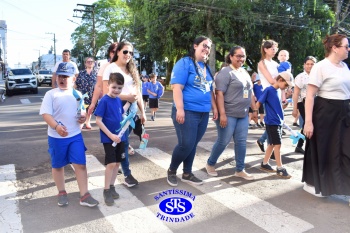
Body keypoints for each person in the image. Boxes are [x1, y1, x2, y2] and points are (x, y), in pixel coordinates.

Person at [40, 62, 99, 207]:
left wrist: (83, 117)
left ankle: (84, 195)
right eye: (60, 75)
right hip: (56, 137)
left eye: (66, 76)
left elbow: (82, 111)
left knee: (81, 164)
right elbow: (46, 114)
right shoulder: (51, 94)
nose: (62, 78)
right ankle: (61, 192)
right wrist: (56, 126)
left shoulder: (77, 94)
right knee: (58, 165)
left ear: (74, 79)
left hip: (75, 136)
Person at [302, 34, 350, 198]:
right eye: (346, 46)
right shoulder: (321, 67)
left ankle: (344, 188)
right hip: (326, 113)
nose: (348, 49)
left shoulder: (345, 67)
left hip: (344, 112)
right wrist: (308, 122)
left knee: (345, 150)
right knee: (325, 150)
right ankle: (318, 185)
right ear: (335, 48)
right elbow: (309, 96)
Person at [167, 36, 218, 187]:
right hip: (187, 111)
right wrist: (180, 109)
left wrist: (214, 108)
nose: (207, 49)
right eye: (204, 45)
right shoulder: (184, 63)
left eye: (209, 47)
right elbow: (177, 88)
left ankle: (187, 173)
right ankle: (171, 170)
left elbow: (209, 91)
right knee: (186, 144)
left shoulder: (206, 67)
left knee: (193, 144)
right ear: (195, 46)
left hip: (203, 112)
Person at [205, 46, 257, 180]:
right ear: (231, 57)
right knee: (224, 141)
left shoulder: (244, 73)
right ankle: (210, 164)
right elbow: (219, 94)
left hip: (243, 114)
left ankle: (240, 169)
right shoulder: (225, 72)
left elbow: (250, 93)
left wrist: (255, 109)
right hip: (228, 113)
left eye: (243, 56)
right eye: (238, 56)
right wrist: (222, 114)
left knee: (241, 142)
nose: (241, 59)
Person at [102, 41, 146, 188]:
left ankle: (114, 163)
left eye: (131, 53)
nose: (128, 55)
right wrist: (127, 97)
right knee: (124, 142)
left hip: (132, 111)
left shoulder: (133, 69)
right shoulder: (111, 68)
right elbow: (106, 92)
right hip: (118, 110)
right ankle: (127, 174)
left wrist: (142, 112)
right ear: (118, 52)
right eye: (126, 52)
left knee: (123, 143)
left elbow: (138, 92)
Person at [94, 73, 126, 206]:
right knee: (111, 164)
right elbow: (98, 121)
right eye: (114, 87)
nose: (116, 90)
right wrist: (110, 135)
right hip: (109, 139)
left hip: (120, 137)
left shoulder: (118, 99)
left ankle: (112, 186)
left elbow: (121, 115)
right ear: (108, 86)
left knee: (118, 163)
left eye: (119, 88)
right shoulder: (104, 101)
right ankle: (106, 189)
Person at [256, 71, 294, 178]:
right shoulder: (269, 90)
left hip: (277, 122)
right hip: (272, 122)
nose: (286, 87)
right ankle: (280, 168)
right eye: (286, 85)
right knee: (277, 145)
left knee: (272, 144)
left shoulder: (277, 91)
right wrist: (253, 112)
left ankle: (264, 163)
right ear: (280, 80)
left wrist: (283, 109)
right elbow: (259, 102)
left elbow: (277, 106)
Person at [256, 40, 279, 153]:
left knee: (277, 121)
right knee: (272, 122)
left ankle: (262, 140)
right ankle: (273, 149)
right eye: (272, 48)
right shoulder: (262, 63)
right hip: (269, 94)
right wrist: (281, 81)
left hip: (277, 93)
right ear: (265, 49)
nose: (274, 50)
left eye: (275, 48)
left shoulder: (276, 64)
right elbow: (271, 80)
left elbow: (282, 80)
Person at [291, 56, 317, 154]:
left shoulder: (318, 75)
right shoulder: (300, 77)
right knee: (310, 124)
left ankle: (299, 145)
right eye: (308, 64)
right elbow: (296, 94)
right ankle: (310, 148)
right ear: (304, 65)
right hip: (303, 103)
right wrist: (294, 109)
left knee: (309, 125)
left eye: (312, 64)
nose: (310, 66)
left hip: (317, 103)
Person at [75, 57, 97, 129]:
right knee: (82, 108)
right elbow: (76, 83)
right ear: (85, 63)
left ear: (94, 63)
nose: (90, 63)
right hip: (82, 94)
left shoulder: (96, 73)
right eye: (88, 62)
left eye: (91, 62)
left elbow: (99, 84)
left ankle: (88, 122)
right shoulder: (81, 73)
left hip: (92, 94)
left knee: (90, 109)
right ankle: (82, 122)